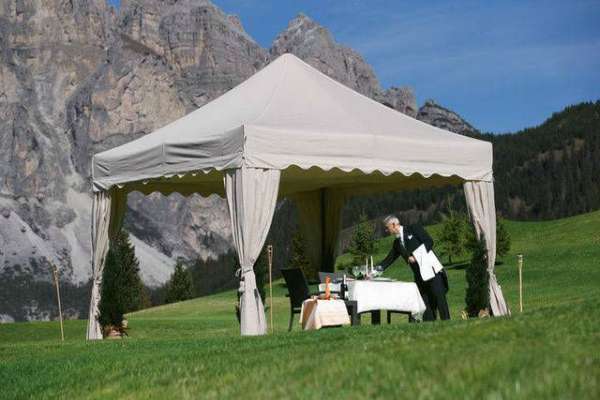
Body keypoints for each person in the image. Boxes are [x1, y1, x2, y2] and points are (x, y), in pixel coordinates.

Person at [377, 215, 450, 321]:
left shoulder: (413, 228)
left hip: (432, 271)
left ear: (393, 225)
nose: (386, 230)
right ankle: (429, 328)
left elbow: (429, 242)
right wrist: (373, 271)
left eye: (387, 228)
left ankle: (447, 323)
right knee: (425, 304)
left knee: (440, 300)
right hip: (418, 276)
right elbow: (388, 260)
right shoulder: (397, 243)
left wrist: (416, 256)